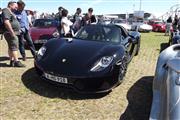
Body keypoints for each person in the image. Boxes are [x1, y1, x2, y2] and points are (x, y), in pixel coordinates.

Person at [2, 1, 25, 67]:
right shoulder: (6, 10)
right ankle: (16, 61)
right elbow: (6, 22)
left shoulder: (10, 12)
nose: (16, 8)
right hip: (10, 33)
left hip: (11, 32)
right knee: (14, 47)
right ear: (10, 5)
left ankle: (12, 61)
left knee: (11, 47)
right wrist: (12, 32)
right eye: (15, 6)